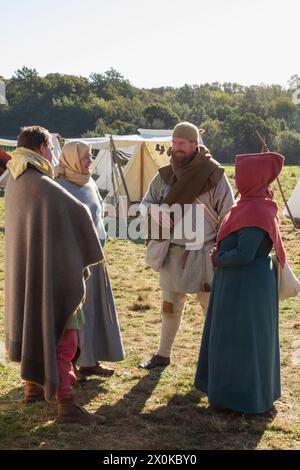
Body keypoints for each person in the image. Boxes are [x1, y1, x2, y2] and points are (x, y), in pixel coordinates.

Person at [5, 126, 106, 424]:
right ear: (41, 147)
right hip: (50, 272)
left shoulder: (14, 178)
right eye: (50, 148)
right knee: (65, 338)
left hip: (27, 269)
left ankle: (33, 389)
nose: (53, 154)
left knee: (34, 324)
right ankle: (66, 405)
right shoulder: (38, 181)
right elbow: (77, 212)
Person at [194, 152, 285, 414]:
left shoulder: (256, 209)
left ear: (252, 177)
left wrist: (219, 257)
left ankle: (243, 399)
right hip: (239, 285)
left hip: (246, 288)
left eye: (240, 173)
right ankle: (228, 394)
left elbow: (245, 253)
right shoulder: (251, 203)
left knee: (243, 342)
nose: (235, 178)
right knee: (233, 340)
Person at [139, 122, 235, 369]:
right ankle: (162, 354)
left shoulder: (214, 176)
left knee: (210, 307)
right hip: (173, 251)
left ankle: (216, 357)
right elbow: (145, 202)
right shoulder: (164, 175)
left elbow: (229, 214)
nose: (176, 148)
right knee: (170, 305)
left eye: (181, 143)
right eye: (174, 142)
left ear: (194, 144)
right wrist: (153, 208)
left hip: (205, 253)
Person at [55, 141, 124, 378]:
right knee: (73, 316)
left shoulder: (90, 183)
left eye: (91, 157)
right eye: (86, 157)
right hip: (72, 264)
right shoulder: (59, 187)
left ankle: (89, 360)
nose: (90, 162)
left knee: (93, 311)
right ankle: (70, 365)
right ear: (72, 158)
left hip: (95, 259)